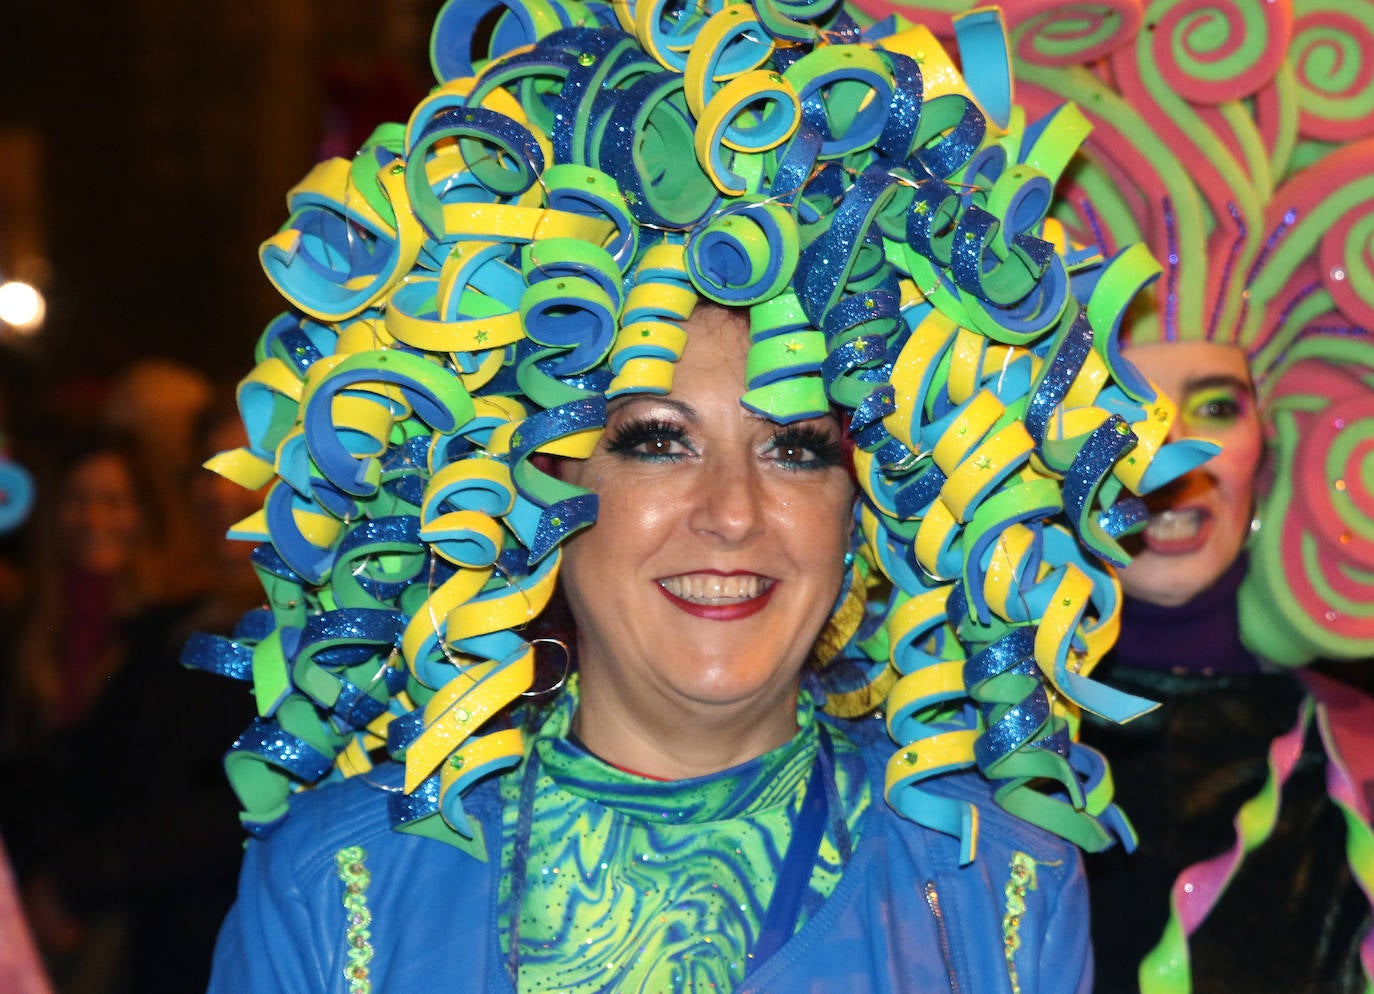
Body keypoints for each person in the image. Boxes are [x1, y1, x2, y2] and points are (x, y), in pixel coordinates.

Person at [195, 1, 1214, 990]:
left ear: (865, 512)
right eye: (656, 442)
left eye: (797, 453)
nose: (732, 512)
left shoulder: (1002, 885)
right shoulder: (338, 887)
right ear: (536, 488)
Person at [839, 0, 1374, 989]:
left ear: (1281, 428)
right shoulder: (939, 752)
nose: (1165, 454)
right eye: (1117, 399)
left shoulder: (1356, 766)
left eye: (1212, 406)